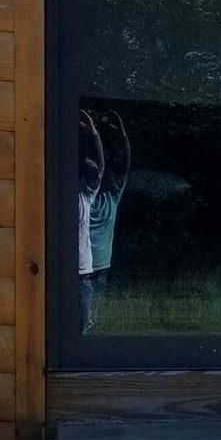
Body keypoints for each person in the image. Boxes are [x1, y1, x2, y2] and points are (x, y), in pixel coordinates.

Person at [76, 108, 130, 331]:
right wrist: (94, 135)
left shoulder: (110, 196)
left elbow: (121, 167)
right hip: (89, 267)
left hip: (97, 267)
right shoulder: (88, 196)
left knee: (89, 318)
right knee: (86, 318)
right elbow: (100, 165)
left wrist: (121, 135)